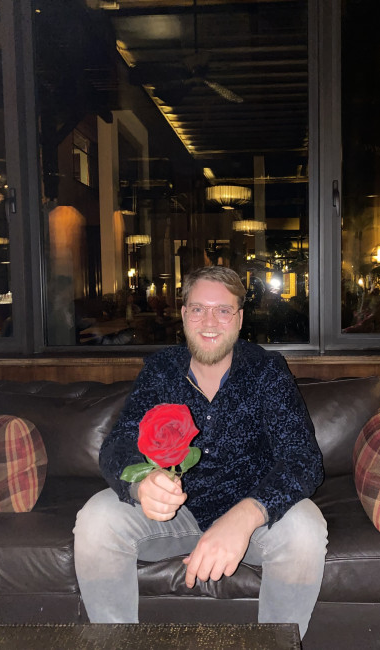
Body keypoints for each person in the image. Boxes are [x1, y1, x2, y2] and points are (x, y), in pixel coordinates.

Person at [73, 266, 327, 638]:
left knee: (306, 528)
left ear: (239, 319)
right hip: (171, 517)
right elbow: (118, 444)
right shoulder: (161, 369)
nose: (209, 322)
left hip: (252, 521)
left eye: (222, 310)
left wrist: (245, 516)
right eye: (198, 309)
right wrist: (142, 483)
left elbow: (303, 459)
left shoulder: (267, 371)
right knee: (96, 518)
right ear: (183, 314)